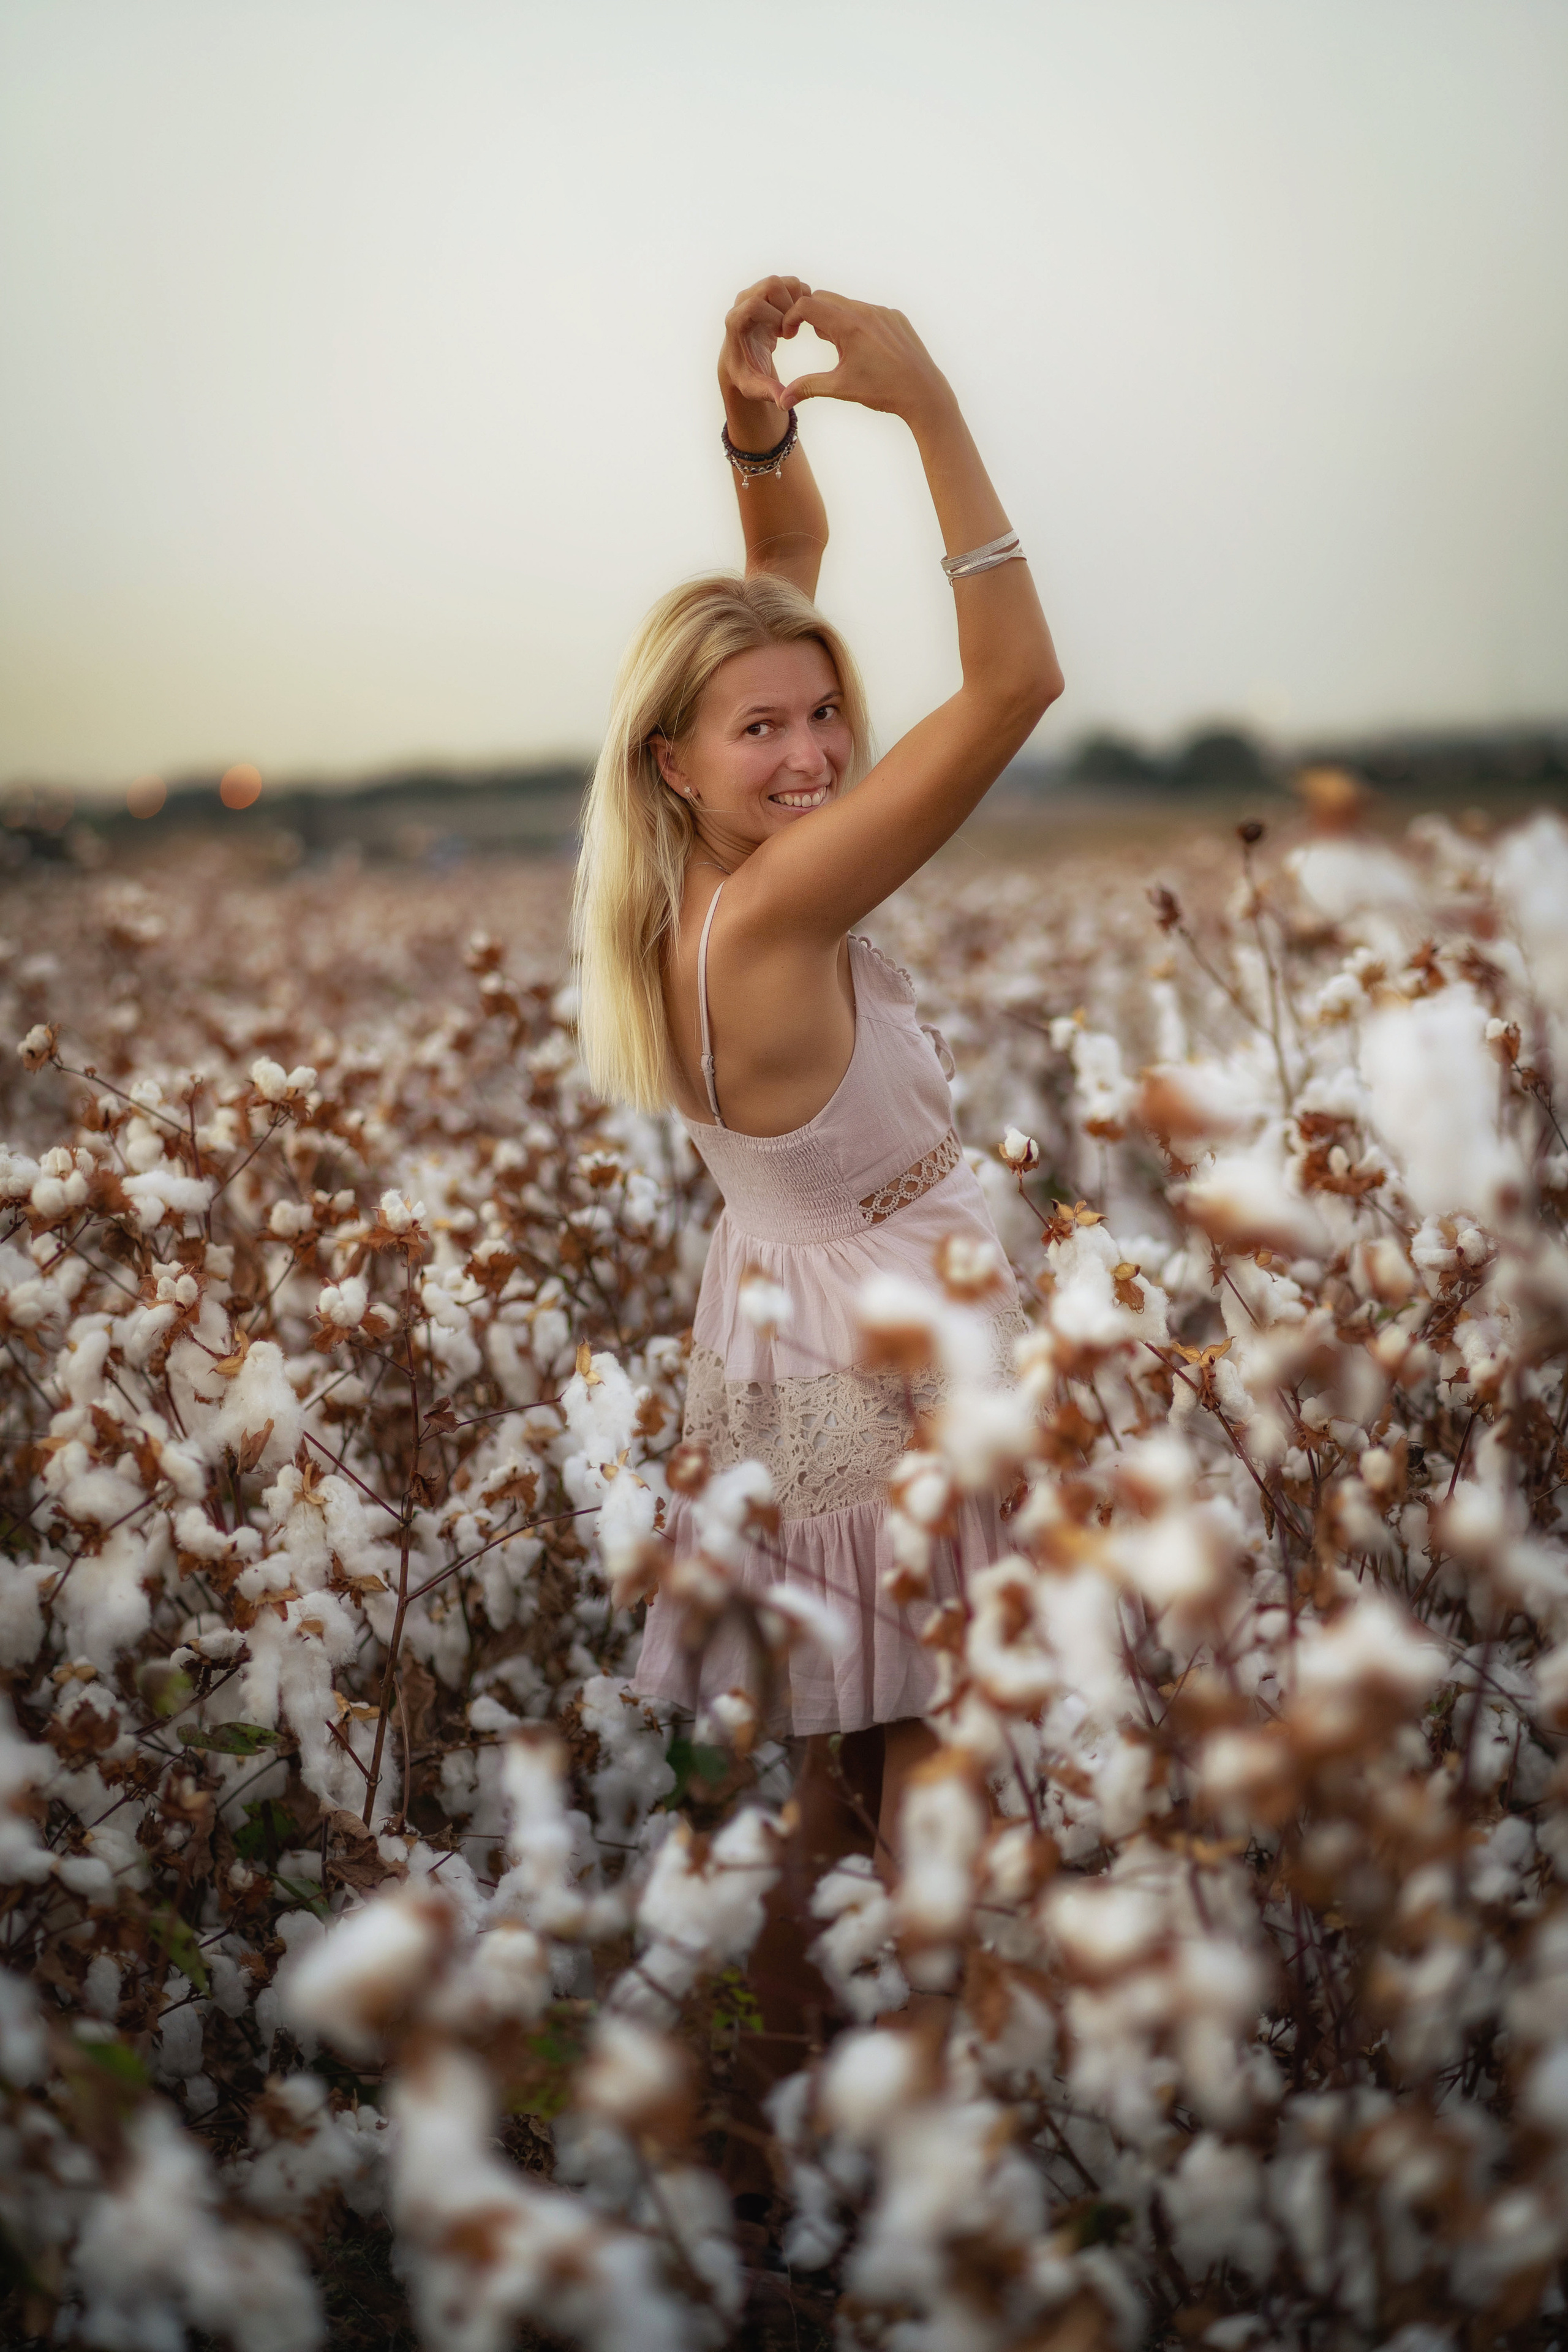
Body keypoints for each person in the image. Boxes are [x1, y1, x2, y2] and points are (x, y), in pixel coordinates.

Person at [570, 273, 1063, 2005]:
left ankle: (776, 2162)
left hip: (774, 1337)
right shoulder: (780, 908)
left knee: (831, 1783)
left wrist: (758, 426)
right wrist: (927, 399)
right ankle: (918, 2161)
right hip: (884, 1345)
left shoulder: (681, 899)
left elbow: (771, 594)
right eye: (762, 729)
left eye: (822, 712)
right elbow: (1015, 683)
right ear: (676, 760)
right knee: (941, 1750)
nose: (811, 751)